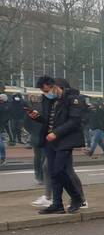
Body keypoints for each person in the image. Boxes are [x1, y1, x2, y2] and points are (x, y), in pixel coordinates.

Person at [27, 77, 86, 214]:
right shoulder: (49, 100)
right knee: (53, 173)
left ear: (55, 87)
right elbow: (49, 121)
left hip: (65, 140)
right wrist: (37, 117)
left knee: (58, 170)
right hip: (51, 140)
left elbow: (74, 121)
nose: (45, 93)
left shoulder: (73, 99)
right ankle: (57, 204)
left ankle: (77, 197)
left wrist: (56, 133)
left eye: (46, 90)